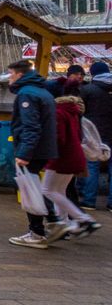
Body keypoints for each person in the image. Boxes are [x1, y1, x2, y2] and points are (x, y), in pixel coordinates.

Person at [7, 59, 62, 249]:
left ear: (20, 75)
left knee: (30, 188)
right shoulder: (43, 91)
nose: (9, 79)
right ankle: (53, 221)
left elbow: (31, 126)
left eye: (11, 75)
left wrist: (24, 153)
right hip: (45, 148)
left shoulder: (26, 94)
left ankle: (38, 231)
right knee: (33, 186)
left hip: (33, 149)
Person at [41, 94, 102, 239]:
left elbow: (58, 138)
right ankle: (63, 224)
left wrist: (45, 152)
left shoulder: (58, 113)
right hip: (74, 156)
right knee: (59, 192)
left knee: (47, 190)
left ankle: (83, 219)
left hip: (61, 158)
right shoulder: (73, 114)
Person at [79, 61, 112, 211]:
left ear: (93, 73)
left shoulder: (88, 90)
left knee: (92, 166)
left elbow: (79, 111)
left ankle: (89, 201)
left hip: (94, 134)